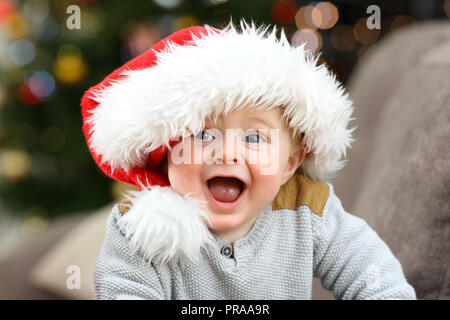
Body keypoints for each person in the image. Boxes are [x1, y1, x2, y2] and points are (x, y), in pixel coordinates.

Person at [81, 19, 416, 299]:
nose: (227, 152)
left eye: (254, 138)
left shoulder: (307, 210)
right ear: (166, 152)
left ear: (289, 164)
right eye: (202, 134)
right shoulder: (140, 232)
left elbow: (370, 271)